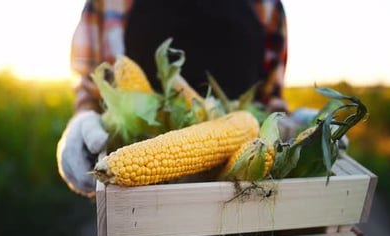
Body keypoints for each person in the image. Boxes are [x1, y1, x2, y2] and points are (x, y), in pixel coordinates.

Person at [57, 0, 289, 197]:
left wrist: (300, 127)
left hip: (240, 193)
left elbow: (271, 98)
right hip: (137, 199)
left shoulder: (267, 5)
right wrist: (82, 116)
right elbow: (89, 85)